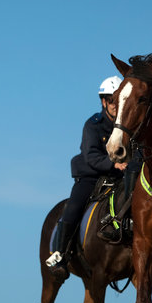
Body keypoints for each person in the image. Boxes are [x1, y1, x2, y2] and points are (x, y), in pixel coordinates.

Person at [45, 76, 127, 279]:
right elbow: (91, 156)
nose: (115, 105)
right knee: (73, 208)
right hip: (92, 176)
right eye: (111, 100)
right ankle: (60, 254)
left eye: (118, 101)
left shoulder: (128, 125)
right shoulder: (93, 125)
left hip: (122, 178)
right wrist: (113, 164)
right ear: (103, 102)